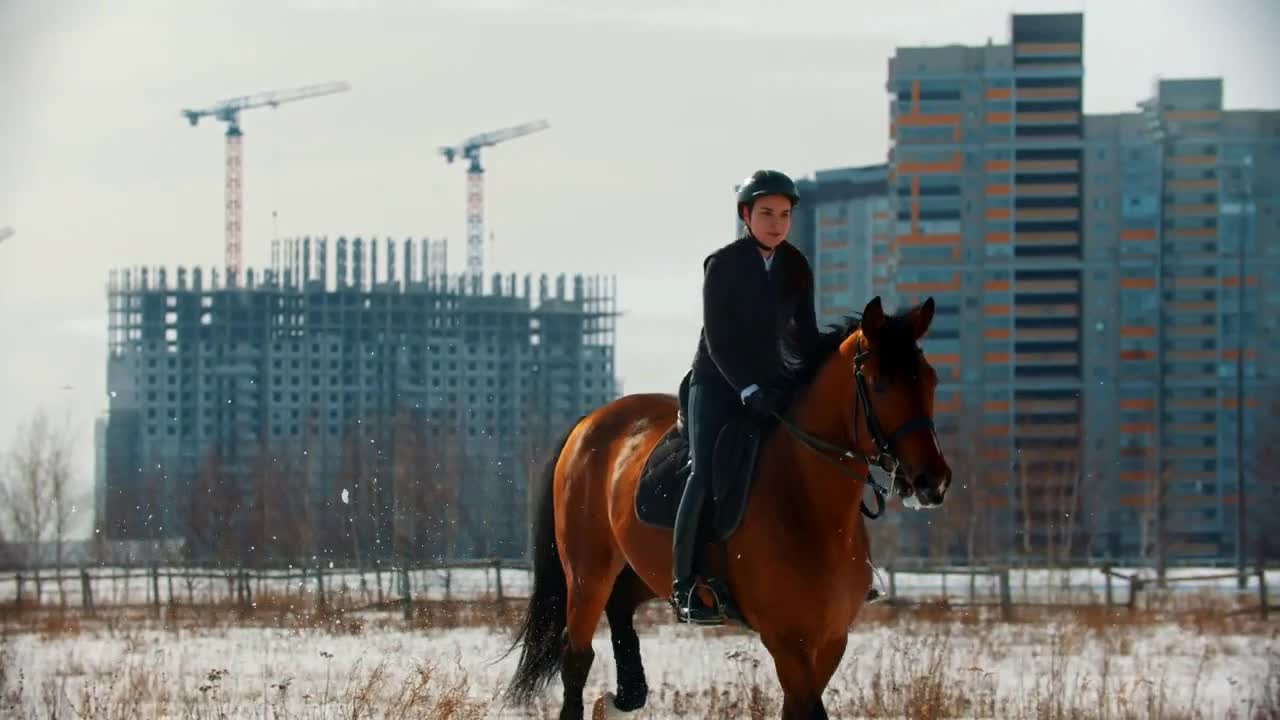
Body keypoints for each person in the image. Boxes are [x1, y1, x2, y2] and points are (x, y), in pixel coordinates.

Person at [671, 169, 820, 624]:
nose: (776, 223)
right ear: (745, 215)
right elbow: (717, 339)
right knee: (705, 473)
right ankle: (685, 586)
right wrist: (747, 388)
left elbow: (807, 335)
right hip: (716, 380)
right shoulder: (723, 264)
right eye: (766, 213)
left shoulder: (796, 265)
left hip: (771, 383)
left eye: (784, 214)